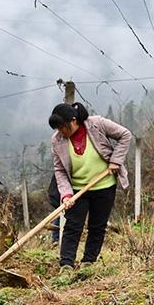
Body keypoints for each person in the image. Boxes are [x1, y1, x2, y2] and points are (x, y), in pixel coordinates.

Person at [49, 102, 132, 269]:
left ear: (73, 121)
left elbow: (125, 135)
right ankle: (66, 264)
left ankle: (88, 261)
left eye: (63, 127)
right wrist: (66, 194)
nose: (61, 132)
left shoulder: (97, 124)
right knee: (72, 225)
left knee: (97, 225)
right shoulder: (57, 140)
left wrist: (116, 161)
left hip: (104, 185)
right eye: (57, 129)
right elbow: (59, 170)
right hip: (77, 189)